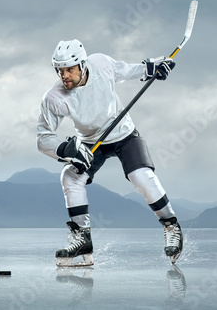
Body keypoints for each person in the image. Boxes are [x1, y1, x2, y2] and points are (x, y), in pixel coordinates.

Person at [36, 39, 183, 267]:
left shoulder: (101, 64)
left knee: (140, 175)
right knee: (70, 177)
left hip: (123, 133)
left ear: (83, 65)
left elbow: (128, 70)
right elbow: (43, 137)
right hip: (90, 143)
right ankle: (82, 239)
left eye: (69, 70)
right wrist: (66, 150)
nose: (64, 75)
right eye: (60, 70)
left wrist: (153, 67)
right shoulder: (54, 98)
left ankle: (171, 225)